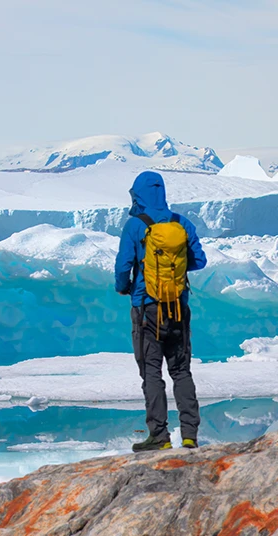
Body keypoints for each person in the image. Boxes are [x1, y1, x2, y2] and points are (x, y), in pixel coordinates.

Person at [114, 171, 207, 451]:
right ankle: (190, 435)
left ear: (137, 195)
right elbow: (199, 261)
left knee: (151, 372)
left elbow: (122, 267)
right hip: (178, 307)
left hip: (146, 308)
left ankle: (159, 437)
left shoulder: (135, 226)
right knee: (181, 370)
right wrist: (174, 270)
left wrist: (126, 287)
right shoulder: (182, 222)